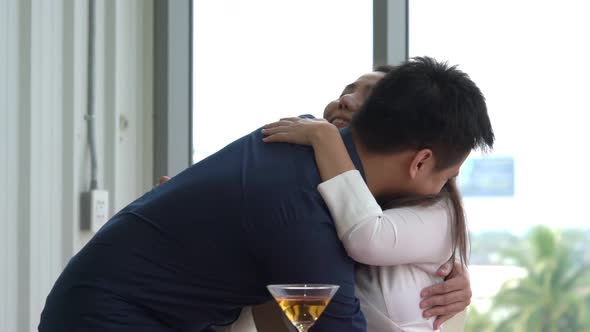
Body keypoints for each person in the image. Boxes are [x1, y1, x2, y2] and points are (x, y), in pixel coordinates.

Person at [38, 57, 491, 332]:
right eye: (446, 177)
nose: (444, 192)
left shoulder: (302, 147)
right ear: (419, 162)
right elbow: (329, 326)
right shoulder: (299, 209)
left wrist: (447, 264)